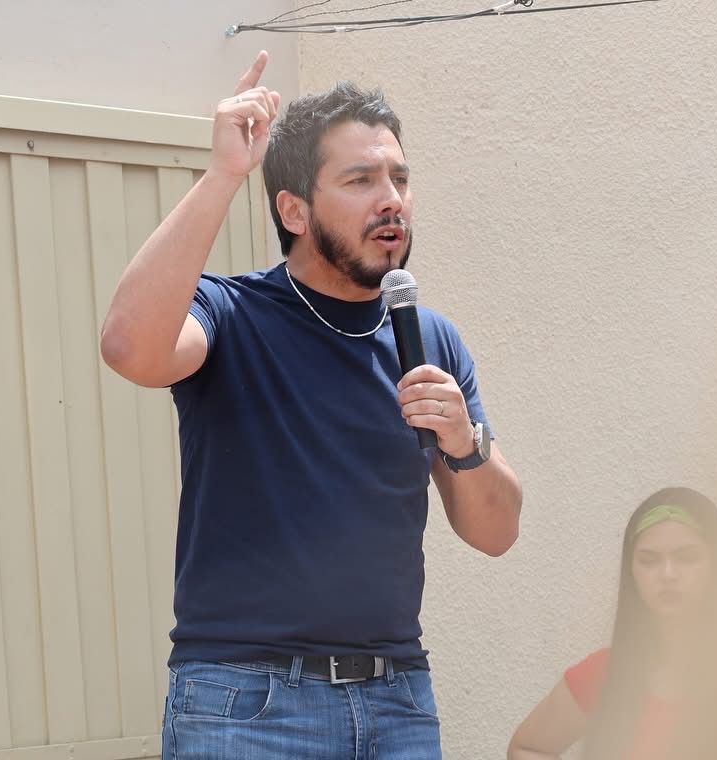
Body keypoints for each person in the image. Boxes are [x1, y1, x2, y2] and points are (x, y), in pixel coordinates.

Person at [99, 51, 523, 759]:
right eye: (360, 180)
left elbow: (497, 532)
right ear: (293, 210)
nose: (391, 199)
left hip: (397, 701)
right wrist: (223, 175)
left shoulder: (430, 340)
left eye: (399, 178)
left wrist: (464, 441)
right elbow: (128, 348)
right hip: (246, 706)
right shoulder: (232, 313)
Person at [507, 487, 717, 760]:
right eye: (649, 560)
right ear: (632, 571)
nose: (668, 574)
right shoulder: (605, 675)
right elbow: (528, 749)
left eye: (687, 557)